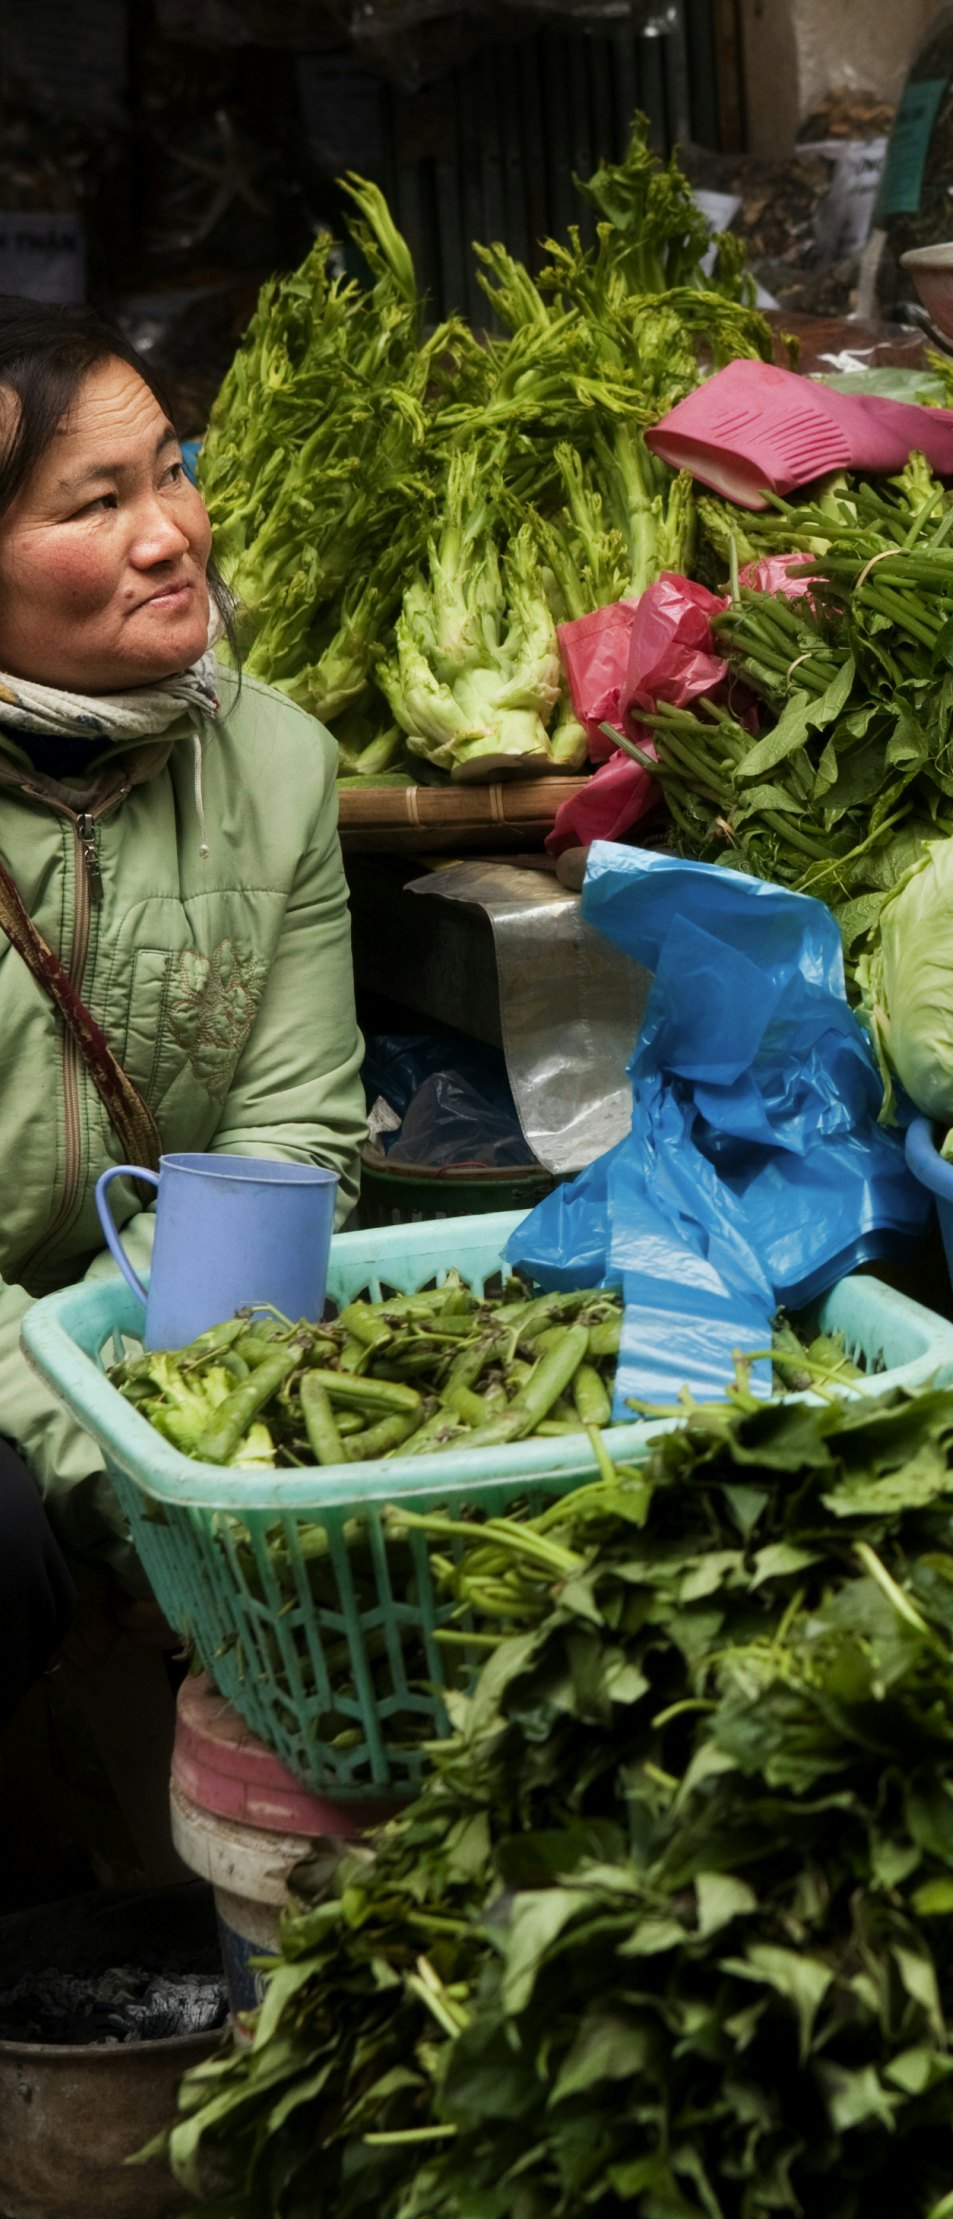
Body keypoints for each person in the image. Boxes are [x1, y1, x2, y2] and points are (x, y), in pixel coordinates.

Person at [0, 299, 363, 1725]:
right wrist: (104, 1458)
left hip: (121, 1338)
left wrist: (198, 1430)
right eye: (97, 502)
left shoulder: (273, 768)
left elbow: (285, 1135)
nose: (170, 533)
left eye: (171, 469)